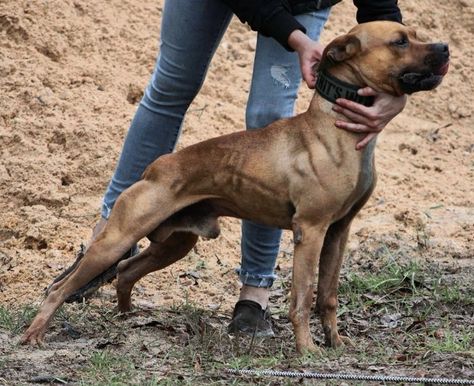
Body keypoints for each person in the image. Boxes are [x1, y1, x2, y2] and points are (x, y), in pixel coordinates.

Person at [55, 0, 407, 336]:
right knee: (172, 87)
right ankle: (108, 240)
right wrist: (295, 38)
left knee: (268, 113)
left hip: (302, 2)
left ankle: (255, 292)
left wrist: (398, 87)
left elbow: (382, 14)